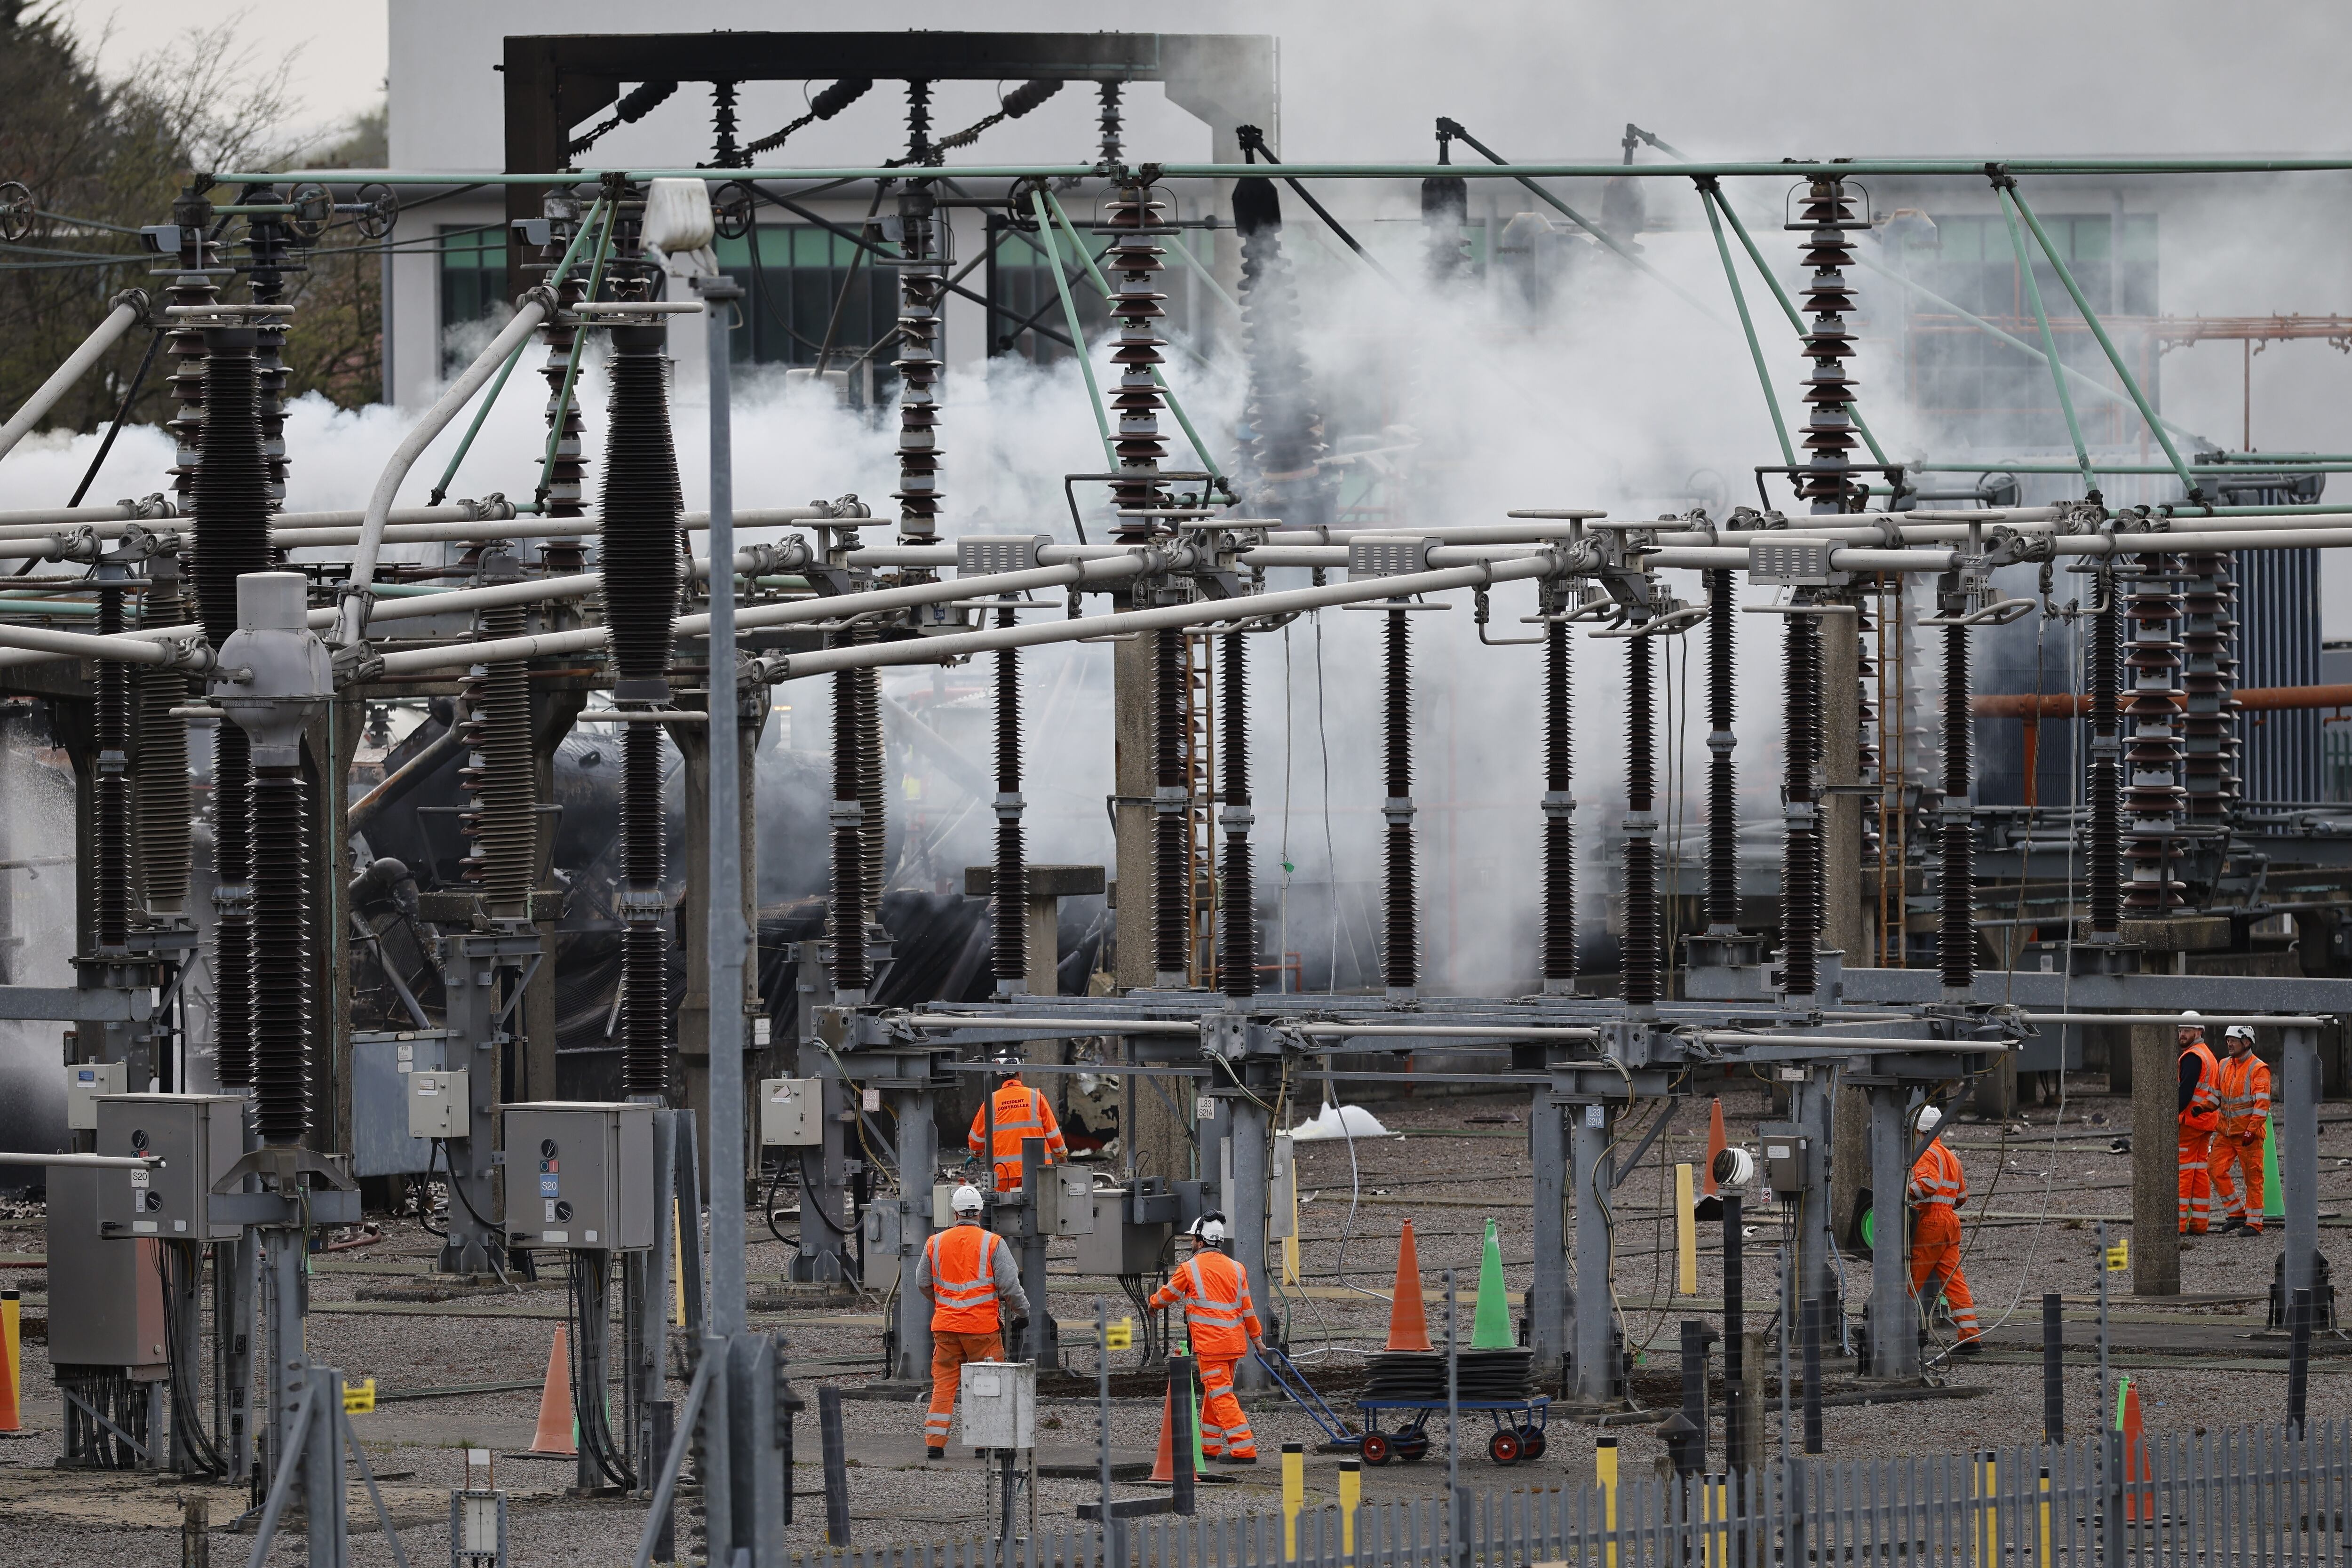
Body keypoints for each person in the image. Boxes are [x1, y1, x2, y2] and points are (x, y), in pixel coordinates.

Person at [914, 1183, 1029, 1460]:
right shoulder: (993, 1243)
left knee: (944, 1384)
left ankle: (935, 1443)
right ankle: (984, 1443)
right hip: (982, 1329)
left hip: (946, 1328)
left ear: (955, 1214)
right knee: (987, 1383)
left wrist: (945, 1304)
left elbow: (922, 1283)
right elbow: (1009, 1286)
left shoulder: (935, 1243)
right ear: (980, 1212)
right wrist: (1022, 1312)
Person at [1149, 1213, 1265, 1464]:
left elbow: (1168, 1294)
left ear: (1201, 1241)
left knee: (1221, 1396)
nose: (1191, 1242)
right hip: (1234, 1345)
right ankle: (1210, 1448)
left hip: (1211, 1345)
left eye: (1193, 1238)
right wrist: (1257, 1339)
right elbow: (1248, 1308)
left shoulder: (1189, 1268)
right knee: (1216, 1393)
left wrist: (1153, 1304)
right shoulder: (1237, 1268)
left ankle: (1244, 1450)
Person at [1906, 1105, 1982, 1353]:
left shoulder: (1925, 1152)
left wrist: (1903, 1193)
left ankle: (1892, 1331)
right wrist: (1946, 1203)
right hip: (1950, 1222)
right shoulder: (1951, 1157)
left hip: (1931, 1222)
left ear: (1918, 1130)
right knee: (1953, 1281)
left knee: (1910, 1278)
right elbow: (1962, 1196)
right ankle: (1970, 1337)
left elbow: (1927, 1184)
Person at [968, 1053, 1069, 1192]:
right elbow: (1053, 1133)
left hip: (1003, 1174)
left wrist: (976, 1154)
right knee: (1038, 1211)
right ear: (1019, 1072)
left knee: (1004, 1212)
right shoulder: (1036, 1097)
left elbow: (976, 1140)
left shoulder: (991, 1101)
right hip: (1037, 1172)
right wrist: (1062, 1157)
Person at [2210, 1024, 2273, 1235]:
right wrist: (2203, 1107)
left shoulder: (2258, 1069)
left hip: (2248, 1135)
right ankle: (2237, 1213)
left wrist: (2251, 1130)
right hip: (2226, 1133)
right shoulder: (2223, 1065)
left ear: (2247, 1042)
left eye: (2234, 1040)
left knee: (2253, 1178)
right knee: (2215, 1169)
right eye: (2228, 1039)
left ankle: (2255, 1224)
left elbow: (2262, 1104)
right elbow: (2217, 1096)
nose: (2229, 1043)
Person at [2177, 1011, 2222, 1236]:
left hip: (2190, 1122)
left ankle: (2178, 1224)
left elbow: (2185, 1092)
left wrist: (2170, 1113)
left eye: (2186, 1030)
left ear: (2199, 1032)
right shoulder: (2209, 1056)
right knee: (2198, 1171)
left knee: (2183, 1171)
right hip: (2205, 1122)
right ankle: (2199, 1224)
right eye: (2180, 1030)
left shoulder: (2193, 1057)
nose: (2182, 1034)